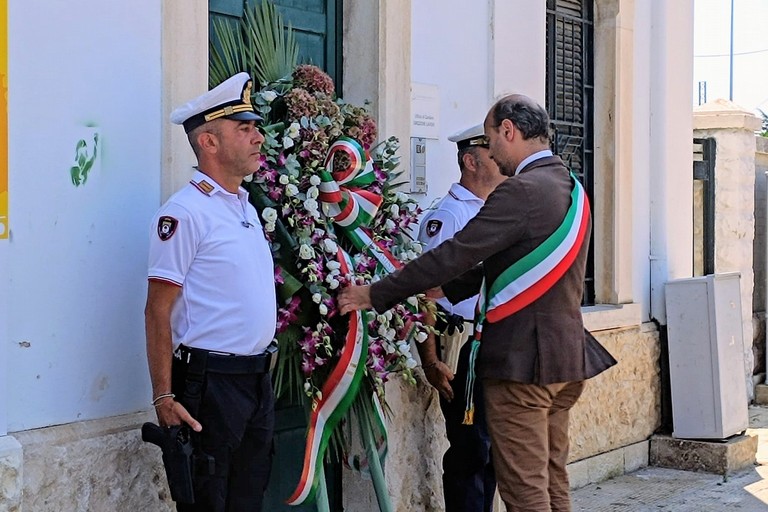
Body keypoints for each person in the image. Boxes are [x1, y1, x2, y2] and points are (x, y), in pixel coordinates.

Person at [338, 94, 615, 512]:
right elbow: (509, 262)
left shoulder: (520, 191)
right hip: (565, 358)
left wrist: (374, 294)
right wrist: (448, 290)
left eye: (491, 138)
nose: (492, 151)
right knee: (552, 478)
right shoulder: (570, 186)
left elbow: (456, 252)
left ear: (509, 131)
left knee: (524, 490)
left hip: (523, 363)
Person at [144, 72, 278, 512]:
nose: (258, 136)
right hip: (211, 385)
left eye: (255, 127)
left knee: (247, 500)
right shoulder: (185, 213)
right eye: (245, 128)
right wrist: (164, 396)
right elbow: (157, 310)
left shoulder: (245, 207)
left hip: (255, 381)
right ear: (209, 143)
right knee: (210, 501)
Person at [416, 123, 505, 512]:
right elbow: (426, 292)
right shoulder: (449, 217)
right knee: (471, 453)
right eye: (491, 154)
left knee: (491, 453)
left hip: (491, 342)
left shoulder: (494, 211)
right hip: (459, 347)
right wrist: (432, 360)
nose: (501, 162)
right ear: (470, 161)